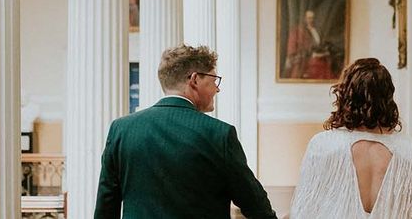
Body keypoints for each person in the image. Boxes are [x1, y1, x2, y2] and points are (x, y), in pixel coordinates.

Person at [94, 44, 277, 219]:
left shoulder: (121, 129)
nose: (217, 88)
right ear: (195, 79)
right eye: (214, 80)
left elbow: (106, 207)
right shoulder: (219, 134)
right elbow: (254, 204)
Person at [289, 58, 412, 218]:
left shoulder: (324, 145)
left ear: (345, 95)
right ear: (389, 97)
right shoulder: (411, 150)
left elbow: (304, 209)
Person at [284, 9, 334, 79]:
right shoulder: (299, 31)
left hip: (319, 56)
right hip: (306, 60)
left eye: (313, 18)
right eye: (309, 18)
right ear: (305, 19)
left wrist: (323, 52)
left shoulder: (317, 30)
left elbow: (320, 44)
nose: (311, 20)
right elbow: (297, 49)